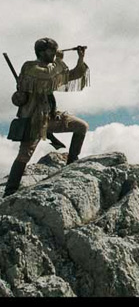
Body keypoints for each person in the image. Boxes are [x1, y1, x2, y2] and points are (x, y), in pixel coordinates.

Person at [3, 38, 90, 198]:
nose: (54, 53)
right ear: (42, 52)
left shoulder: (51, 69)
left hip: (51, 116)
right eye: (51, 50)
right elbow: (49, 74)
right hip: (34, 120)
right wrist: (59, 59)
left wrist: (80, 58)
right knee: (24, 155)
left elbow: (73, 75)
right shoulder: (30, 67)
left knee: (81, 126)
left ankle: (70, 165)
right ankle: (10, 192)